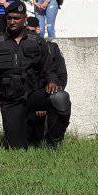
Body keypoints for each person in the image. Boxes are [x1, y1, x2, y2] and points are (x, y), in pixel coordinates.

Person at [0, 1, 60, 150]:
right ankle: (27, 133)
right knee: (17, 149)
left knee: (60, 98)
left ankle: (54, 143)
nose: (12, 22)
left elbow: (49, 68)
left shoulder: (37, 42)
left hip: (34, 98)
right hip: (11, 102)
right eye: (9, 18)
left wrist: (52, 81)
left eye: (16, 18)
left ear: (25, 19)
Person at [27, 18, 71, 148]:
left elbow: (61, 75)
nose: (30, 35)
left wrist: (52, 93)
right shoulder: (22, 49)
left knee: (61, 99)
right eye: (27, 32)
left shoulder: (52, 48)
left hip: (48, 95)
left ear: (38, 30)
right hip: (29, 97)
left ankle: (54, 142)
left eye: (32, 31)